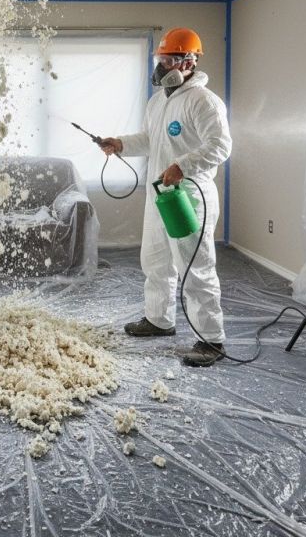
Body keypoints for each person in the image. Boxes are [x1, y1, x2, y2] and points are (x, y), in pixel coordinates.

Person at [99, 27, 231, 367]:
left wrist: (182, 166)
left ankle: (211, 339)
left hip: (188, 195)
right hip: (161, 193)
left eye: (170, 59)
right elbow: (150, 139)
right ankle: (159, 319)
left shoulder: (205, 102)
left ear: (190, 61)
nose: (162, 66)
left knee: (194, 266)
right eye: (160, 59)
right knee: (155, 259)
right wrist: (121, 144)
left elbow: (220, 146)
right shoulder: (158, 100)